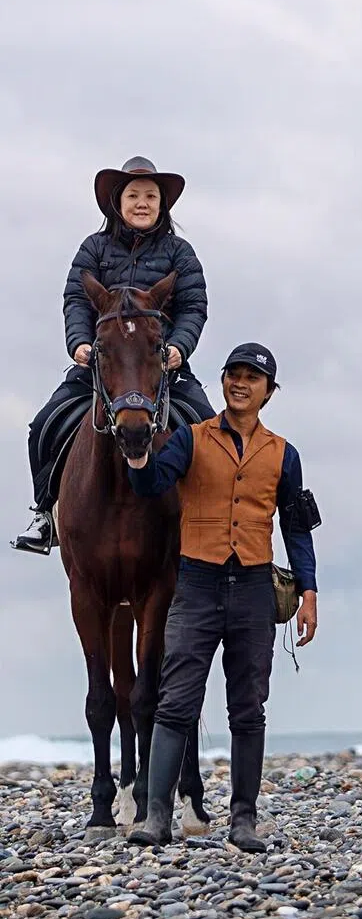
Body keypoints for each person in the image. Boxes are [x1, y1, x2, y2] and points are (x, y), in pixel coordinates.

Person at [124, 344, 319, 851]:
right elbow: (151, 485)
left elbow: (297, 527)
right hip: (196, 584)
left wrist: (309, 590)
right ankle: (157, 817)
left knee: (249, 707)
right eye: (234, 374)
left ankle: (244, 820)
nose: (241, 383)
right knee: (176, 704)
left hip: (255, 588)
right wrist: (139, 454)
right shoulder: (189, 439)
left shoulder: (284, 453)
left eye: (253, 378)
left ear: (268, 392)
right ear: (222, 382)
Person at [15, 157, 214, 555]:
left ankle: (209, 522)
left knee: (210, 433)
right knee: (42, 425)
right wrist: (79, 342)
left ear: (162, 205)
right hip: (101, 367)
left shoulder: (180, 252)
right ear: (117, 203)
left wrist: (178, 347)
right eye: (134, 195)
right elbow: (76, 297)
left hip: (161, 368)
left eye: (151, 196)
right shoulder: (94, 248)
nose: (142, 203)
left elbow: (194, 306)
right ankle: (43, 512)